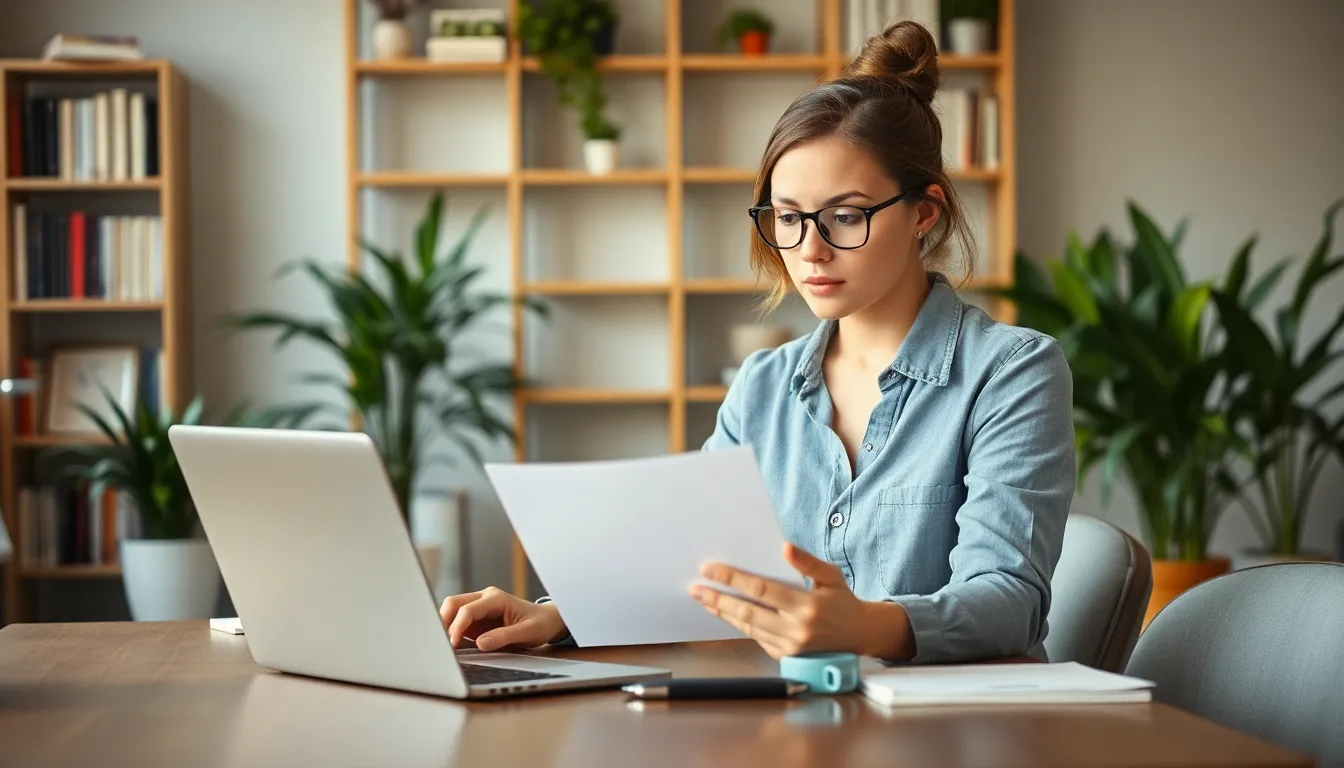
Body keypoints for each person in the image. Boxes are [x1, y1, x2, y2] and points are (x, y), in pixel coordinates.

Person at [438, 20, 1075, 665]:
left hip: (958, 717)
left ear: (924, 211)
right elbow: (695, 566)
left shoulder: (1011, 371)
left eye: (845, 216)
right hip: (800, 711)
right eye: (789, 217)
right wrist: (561, 613)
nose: (810, 249)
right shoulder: (763, 385)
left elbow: (1010, 600)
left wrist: (863, 626)